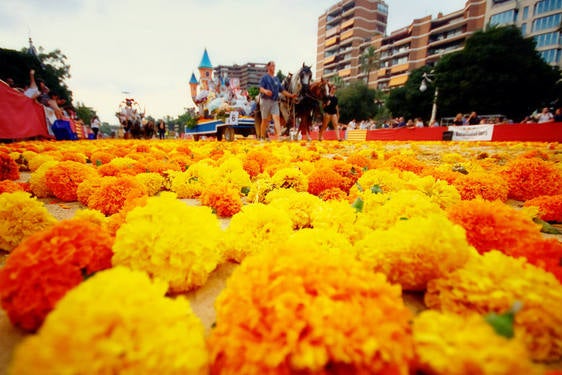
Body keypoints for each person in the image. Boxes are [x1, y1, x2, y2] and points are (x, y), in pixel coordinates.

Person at [258, 61, 296, 140]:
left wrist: (291, 95)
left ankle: (279, 135)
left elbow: (282, 90)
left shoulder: (276, 79)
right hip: (265, 100)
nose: (274, 67)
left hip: (274, 101)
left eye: (274, 66)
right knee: (264, 120)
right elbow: (261, 88)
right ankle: (262, 137)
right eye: (272, 66)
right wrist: (266, 91)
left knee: (276, 118)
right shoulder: (264, 78)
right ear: (268, 67)